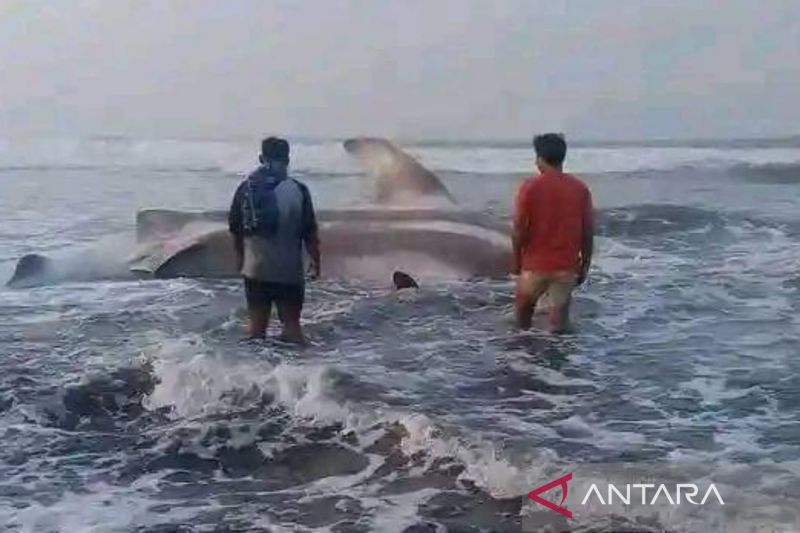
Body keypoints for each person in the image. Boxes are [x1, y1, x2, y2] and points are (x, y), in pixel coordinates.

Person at [228, 137, 320, 344]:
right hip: (289, 271)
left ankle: (250, 374)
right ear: (287, 160)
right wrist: (316, 262)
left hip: (256, 270)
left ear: (261, 158)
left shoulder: (246, 189)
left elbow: (236, 229)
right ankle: (300, 373)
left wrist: (241, 260)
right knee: (292, 328)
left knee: (256, 330)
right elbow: (310, 233)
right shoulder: (298, 190)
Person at [512, 133, 594, 333]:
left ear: (540, 158)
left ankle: (523, 359)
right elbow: (587, 232)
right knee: (559, 325)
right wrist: (585, 265)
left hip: (535, 266)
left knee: (522, 320)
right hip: (566, 267)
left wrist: (516, 262)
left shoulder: (529, 187)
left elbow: (519, 230)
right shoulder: (580, 189)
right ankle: (561, 361)